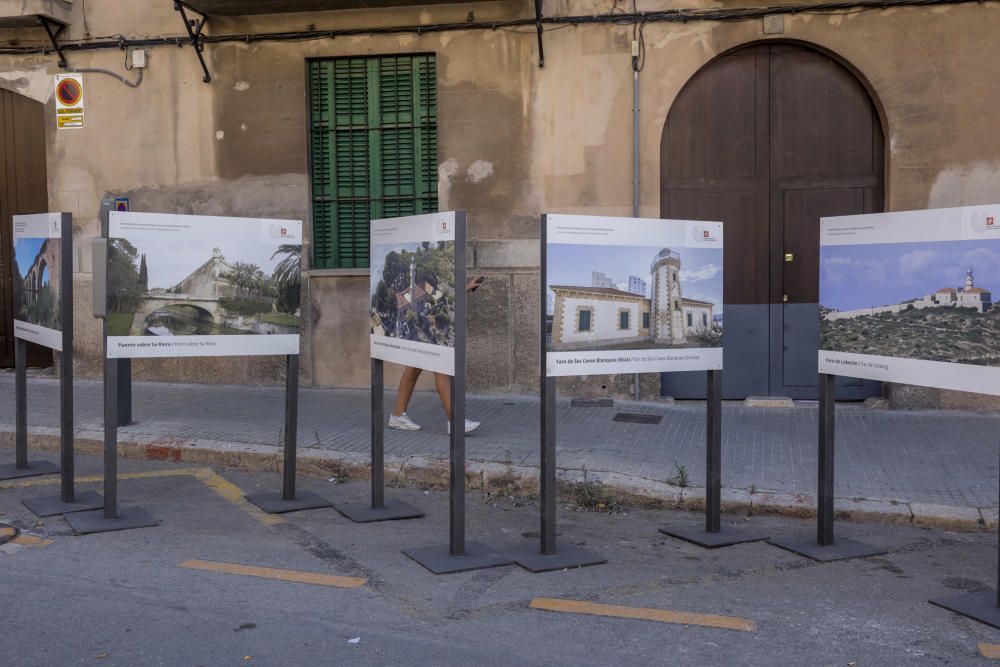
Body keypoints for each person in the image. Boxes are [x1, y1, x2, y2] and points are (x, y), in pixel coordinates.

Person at [389, 275, 485, 434]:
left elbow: (441, 297)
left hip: (418, 331)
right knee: (440, 370)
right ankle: (455, 422)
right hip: (424, 331)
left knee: (413, 370)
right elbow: (440, 298)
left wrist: (466, 288)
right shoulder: (422, 285)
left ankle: (398, 415)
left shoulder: (424, 285)